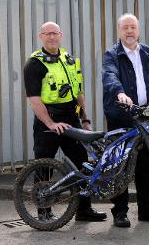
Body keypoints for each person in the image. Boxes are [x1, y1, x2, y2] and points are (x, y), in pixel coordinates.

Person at [23, 21, 107, 222]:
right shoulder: (34, 64)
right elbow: (34, 100)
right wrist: (50, 124)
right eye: (47, 34)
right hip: (48, 120)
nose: (51, 37)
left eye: (55, 33)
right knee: (44, 166)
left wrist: (84, 119)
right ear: (40, 36)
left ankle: (84, 210)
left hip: (71, 118)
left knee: (82, 164)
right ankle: (44, 212)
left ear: (61, 35)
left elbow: (78, 92)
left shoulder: (68, 59)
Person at [102, 13, 149, 228]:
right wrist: (120, 93)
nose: (130, 31)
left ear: (138, 30)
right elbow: (109, 76)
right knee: (119, 164)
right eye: (125, 28)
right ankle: (120, 212)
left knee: (144, 164)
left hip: (146, 115)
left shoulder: (148, 53)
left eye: (133, 27)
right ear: (119, 31)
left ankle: (146, 210)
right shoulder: (112, 54)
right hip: (121, 116)